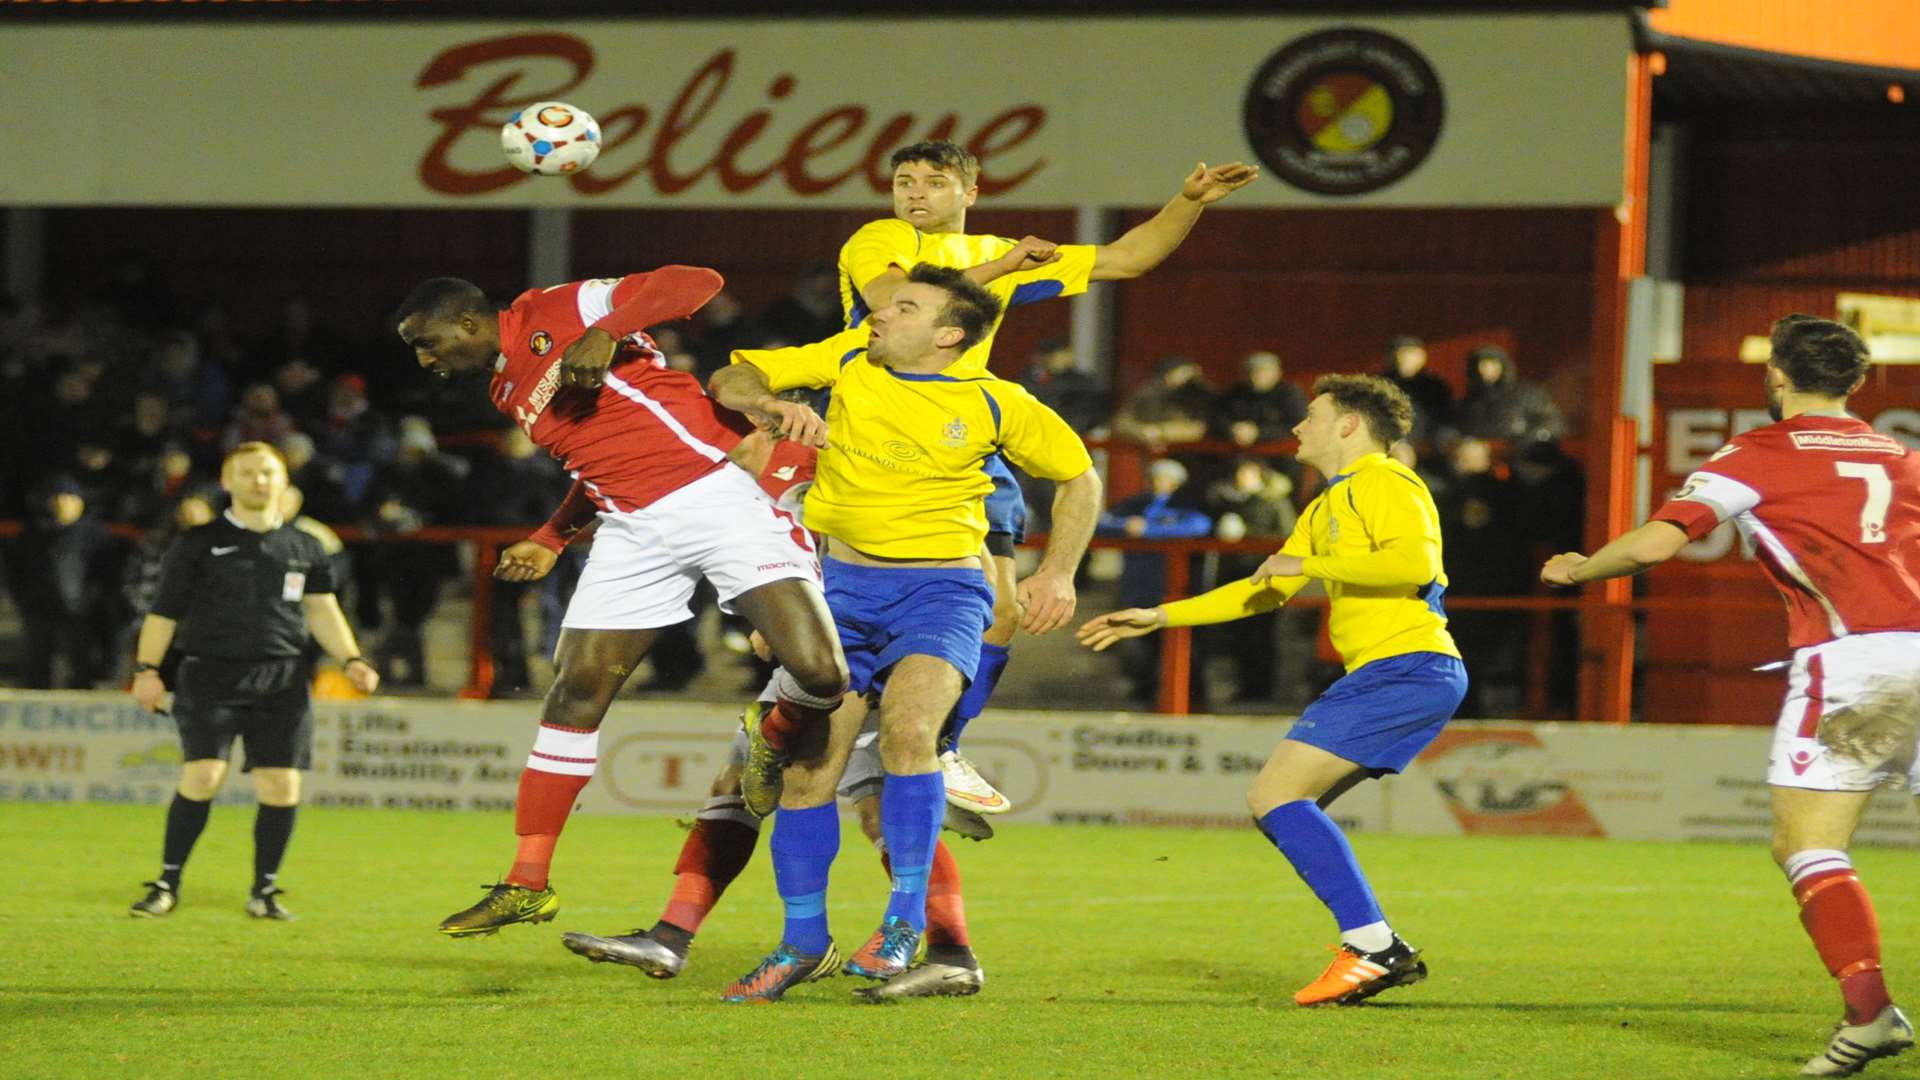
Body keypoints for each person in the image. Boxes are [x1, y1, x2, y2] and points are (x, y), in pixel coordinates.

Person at [393, 266, 849, 938]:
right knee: (573, 692)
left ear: (467, 321)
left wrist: (606, 331)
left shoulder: (553, 307)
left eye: (427, 342)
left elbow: (697, 280)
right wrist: (552, 536)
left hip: (717, 494)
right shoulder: (504, 388)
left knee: (821, 674)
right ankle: (526, 881)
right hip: (630, 527)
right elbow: (598, 464)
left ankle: (769, 738)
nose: (425, 359)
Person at [709, 264, 1102, 1002]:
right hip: (839, 589)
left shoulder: (997, 402)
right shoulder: (852, 356)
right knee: (807, 774)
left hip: (942, 589)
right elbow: (728, 379)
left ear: (948, 334)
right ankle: (801, 942)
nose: (881, 314)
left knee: (909, 733)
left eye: (905, 307)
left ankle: (901, 926)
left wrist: (1059, 572)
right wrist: (767, 403)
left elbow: (1081, 477)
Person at [1541, 315, 1918, 1076]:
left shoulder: (1760, 451)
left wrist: (1580, 569)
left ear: (1776, 375)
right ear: (1857, 382)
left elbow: (1658, 541)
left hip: (1858, 662)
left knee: (1808, 843)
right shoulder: (1902, 455)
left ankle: (1871, 1012)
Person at [837, 140, 1255, 815]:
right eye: (904, 181)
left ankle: (937, 743)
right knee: (827, 646)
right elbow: (898, 297)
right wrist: (1001, 270)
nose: (914, 194)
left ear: (970, 194)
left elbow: (1128, 257)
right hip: (877, 442)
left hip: (966, 439)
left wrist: (1189, 202)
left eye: (934, 182)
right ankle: (813, 730)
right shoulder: (881, 239)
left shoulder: (998, 255)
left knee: (1002, 611)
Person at [1078, 374, 1465, 1006]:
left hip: (1407, 665)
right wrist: (1160, 615)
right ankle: (1372, 942)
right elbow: (1264, 590)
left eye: (1311, 415)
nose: (1297, 427)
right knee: (1279, 807)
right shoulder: (1325, 503)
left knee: (1275, 795)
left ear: (1348, 425)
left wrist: (1309, 566)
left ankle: (1373, 945)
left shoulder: (1386, 482)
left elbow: (1415, 565)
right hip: (1394, 671)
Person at [562, 435, 989, 999]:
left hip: (875, 638)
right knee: (768, 783)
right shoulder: (743, 476)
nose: (739, 436)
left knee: (858, 797)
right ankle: (683, 934)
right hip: (828, 644)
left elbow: (985, 562)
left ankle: (945, 950)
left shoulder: (864, 456)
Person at [126, 442, 380, 920]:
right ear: (227, 482)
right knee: (203, 775)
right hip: (209, 673)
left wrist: (351, 659)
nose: (258, 481)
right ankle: (166, 883)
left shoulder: (306, 546)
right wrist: (147, 671)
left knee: (282, 786)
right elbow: (164, 613)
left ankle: (263, 892)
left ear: (284, 482)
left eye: (267, 472)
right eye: (247, 473)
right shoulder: (198, 541)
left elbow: (322, 609)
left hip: (282, 678)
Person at [1458, 344, 1566, 444]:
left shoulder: (1526, 394)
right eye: (1482, 364)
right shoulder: (1468, 403)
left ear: (1503, 366)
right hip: (1479, 460)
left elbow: (1553, 424)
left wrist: (1526, 442)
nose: (1487, 369)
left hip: (1522, 457)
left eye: (1492, 363)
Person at [1212, 350, 1307, 451]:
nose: (1257, 376)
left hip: (1280, 452)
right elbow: (1217, 417)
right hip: (1238, 451)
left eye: (1264, 371)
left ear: (1278, 373)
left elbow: (1299, 426)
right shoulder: (1235, 393)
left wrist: (1258, 432)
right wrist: (1232, 429)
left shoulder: (1290, 394)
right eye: (1252, 371)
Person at [1382, 336, 1453, 446]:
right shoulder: (1378, 385)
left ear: (1422, 357)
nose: (1405, 359)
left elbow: (1446, 420)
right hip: (1391, 444)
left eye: (1411, 354)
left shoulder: (1435, 385)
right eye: (1401, 353)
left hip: (1433, 443)